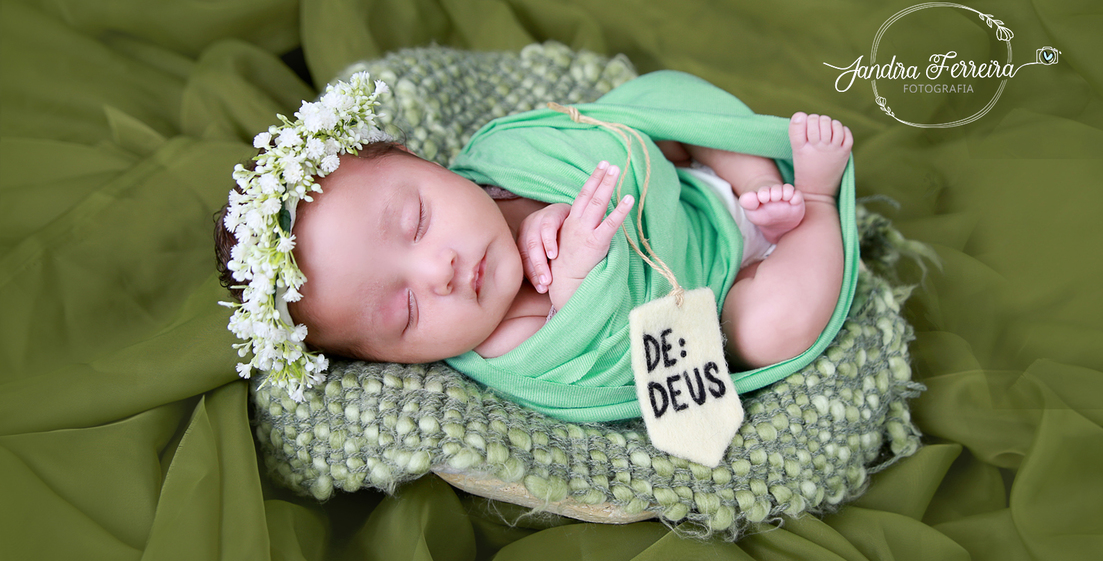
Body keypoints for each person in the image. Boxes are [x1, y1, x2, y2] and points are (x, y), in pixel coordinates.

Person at [217, 70, 858, 419]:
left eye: (416, 221)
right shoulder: (503, 341)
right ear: (391, 361)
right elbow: (619, 368)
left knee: (653, 103)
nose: (437, 270)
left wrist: (545, 212)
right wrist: (578, 283)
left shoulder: (496, 161)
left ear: (427, 162)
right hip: (725, 283)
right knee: (772, 328)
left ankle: (757, 186)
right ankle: (817, 208)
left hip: (684, 186)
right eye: (405, 312)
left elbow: (603, 139)